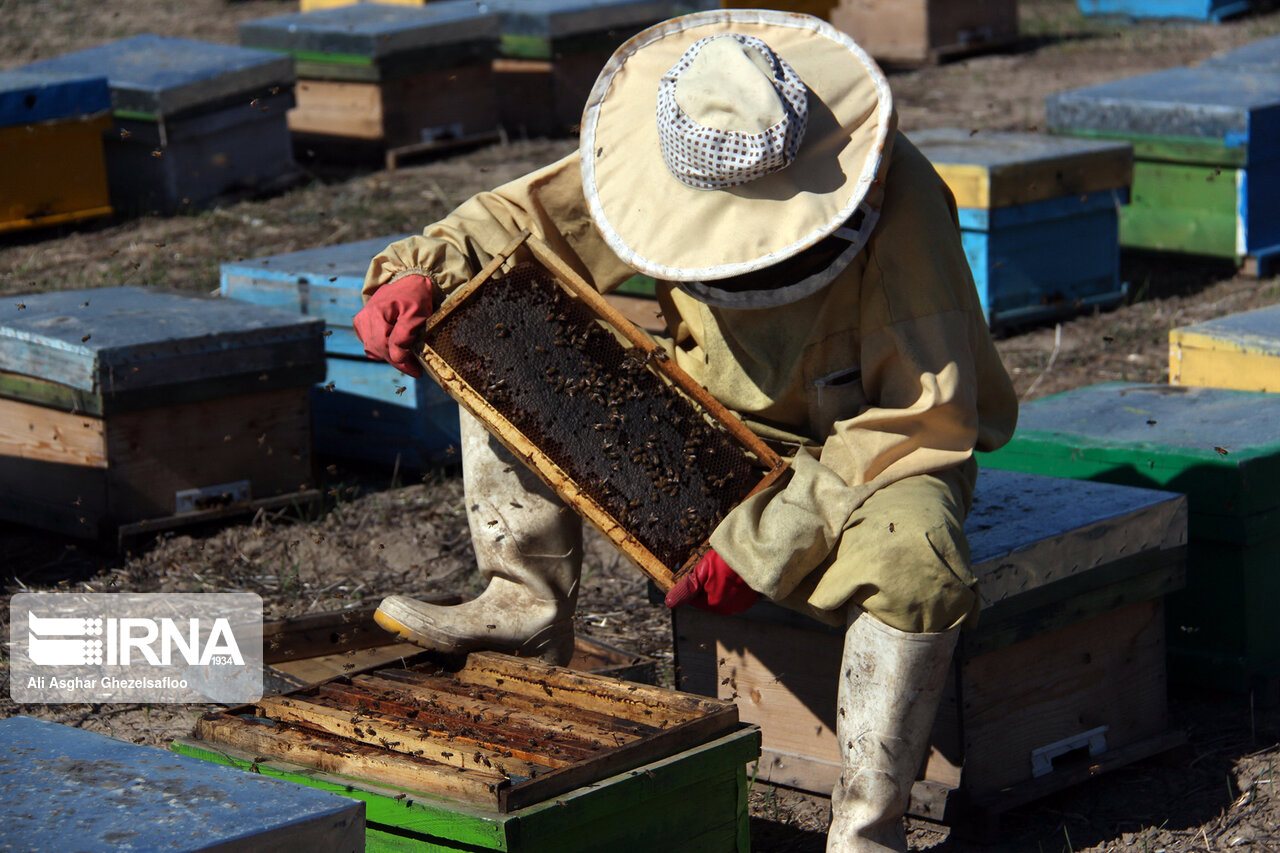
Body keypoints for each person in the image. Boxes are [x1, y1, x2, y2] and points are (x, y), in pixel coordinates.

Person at [353, 10, 1018, 851]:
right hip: (707, 423)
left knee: (918, 559)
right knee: (491, 324)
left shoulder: (902, 199)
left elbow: (923, 415)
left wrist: (761, 542)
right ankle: (522, 599)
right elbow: (524, 224)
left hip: (866, 451)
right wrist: (419, 271)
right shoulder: (667, 154)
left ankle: (868, 832)